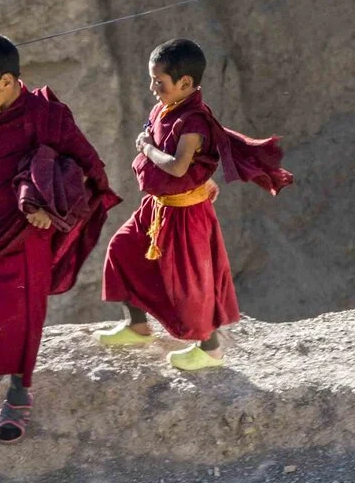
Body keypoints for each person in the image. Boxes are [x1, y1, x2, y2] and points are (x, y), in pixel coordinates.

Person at [0, 34, 119, 441]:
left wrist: (51, 207)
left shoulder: (46, 115)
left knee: (21, 308)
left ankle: (18, 391)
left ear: (8, 81)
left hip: (27, 232)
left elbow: (88, 168)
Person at [98, 37, 292, 371]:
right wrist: (201, 177)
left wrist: (146, 148)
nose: (153, 88)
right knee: (122, 249)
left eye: (159, 82)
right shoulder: (165, 108)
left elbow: (177, 166)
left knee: (191, 284)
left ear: (185, 83)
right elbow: (190, 161)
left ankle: (210, 350)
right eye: (152, 80)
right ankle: (137, 325)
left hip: (184, 214)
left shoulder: (193, 122)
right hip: (157, 208)